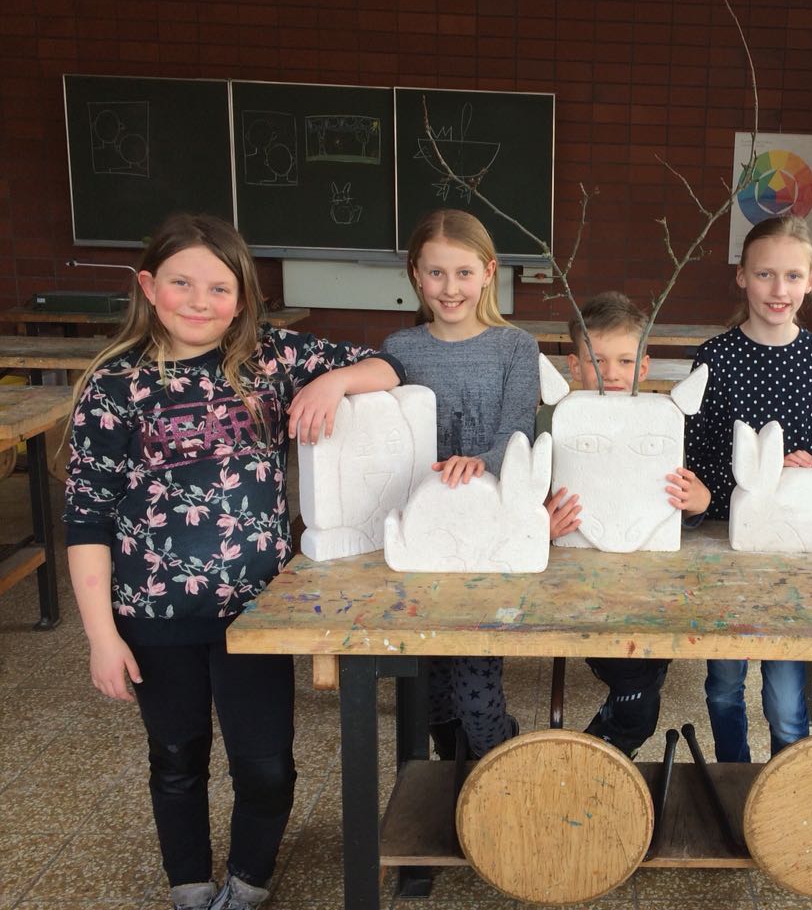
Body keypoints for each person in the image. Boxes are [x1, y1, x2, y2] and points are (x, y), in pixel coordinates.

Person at [63, 213, 404, 910]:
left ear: (243, 296)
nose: (199, 302)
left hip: (254, 614)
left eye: (219, 288)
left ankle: (249, 880)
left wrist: (334, 383)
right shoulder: (114, 385)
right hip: (152, 616)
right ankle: (189, 885)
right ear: (148, 287)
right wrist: (101, 636)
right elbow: (86, 518)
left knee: (266, 764)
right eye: (181, 284)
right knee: (176, 759)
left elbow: (392, 364)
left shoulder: (270, 358)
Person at [684, 215, 812, 762]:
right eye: (764, 274)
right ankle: (733, 777)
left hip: (796, 551)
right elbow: (696, 455)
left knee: (786, 700)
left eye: (793, 276)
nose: (779, 290)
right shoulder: (714, 357)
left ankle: (787, 787)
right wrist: (750, 478)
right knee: (723, 684)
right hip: (727, 545)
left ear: (811, 281)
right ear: (742, 277)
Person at [382, 208, 539, 759]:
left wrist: (478, 463)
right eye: (436, 273)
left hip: (485, 538)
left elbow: (517, 433)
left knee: (476, 691)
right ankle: (454, 772)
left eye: (464, 273)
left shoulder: (515, 346)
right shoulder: (400, 348)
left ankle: (495, 774)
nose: (450, 288)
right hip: (422, 537)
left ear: (489, 272)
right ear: (416, 275)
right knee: (430, 696)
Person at [541, 290, 710, 757]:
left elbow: (679, 501)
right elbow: (534, 496)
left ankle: (599, 752)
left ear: (644, 366)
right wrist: (541, 522)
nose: (611, 373)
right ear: (574, 367)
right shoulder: (556, 421)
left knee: (645, 669)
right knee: (635, 687)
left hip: (650, 584)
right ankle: (600, 753)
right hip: (580, 584)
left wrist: (698, 503)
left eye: (624, 361)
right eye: (597, 361)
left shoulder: (663, 423)